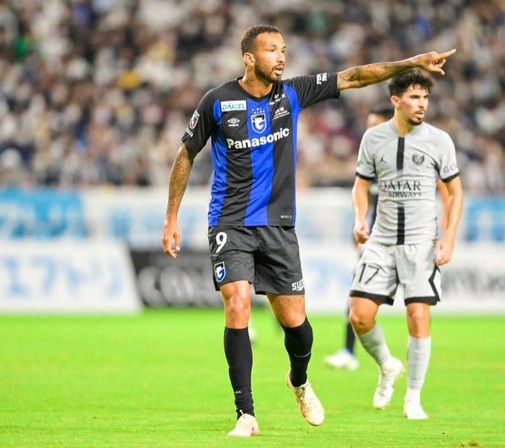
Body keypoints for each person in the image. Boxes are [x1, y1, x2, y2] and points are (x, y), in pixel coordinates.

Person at [161, 24, 456, 437]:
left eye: (283, 50)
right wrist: (172, 216)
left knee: (297, 325)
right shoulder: (218, 101)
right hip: (229, 221)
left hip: (279, 227)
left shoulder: (293, 93)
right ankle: (245, 412)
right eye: (271, 51)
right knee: (238, 305)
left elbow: (353, 76)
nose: (281, 57)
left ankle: (298, 380)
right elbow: (185, 153)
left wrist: (410, 64)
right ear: (249, 58)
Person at [347, 68, 464, 420]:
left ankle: (413, 397)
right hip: (381, 241)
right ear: (395, 101)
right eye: (414, 97)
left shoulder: (439, 141)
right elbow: (360, 185)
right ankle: (386, 365)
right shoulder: (373, 139)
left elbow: (456, 192)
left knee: (417, 315)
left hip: (419, 243)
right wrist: (358, 219)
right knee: (359, 316)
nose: (422, 104)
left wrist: (448, 238)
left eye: (425, 97)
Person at [325, 105, 451, 371]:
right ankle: (353, 352)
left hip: (411, 242)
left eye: (375, 124)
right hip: (377, 241)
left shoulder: (411, 157)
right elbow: (365, 199)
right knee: (357, 301)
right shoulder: (373, 158)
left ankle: (383, 363)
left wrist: (445, 232)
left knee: (415, 309)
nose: (369, 130)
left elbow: (446, 189)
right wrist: (359, 224)